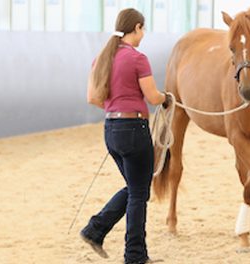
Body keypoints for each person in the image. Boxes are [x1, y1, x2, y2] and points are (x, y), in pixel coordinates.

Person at [80, 8, 171, 264]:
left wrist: (115, 110)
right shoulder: (138, 58)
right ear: (138, 28)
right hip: (134, 131)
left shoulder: (101, 58)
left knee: (135, 188)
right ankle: (134, 255)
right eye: (143, 30)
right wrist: (167, 97)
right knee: (139, 192)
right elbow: (153, 97)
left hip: (111, 130)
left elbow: (92, 98)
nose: (143, 35)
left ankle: (96, 229)